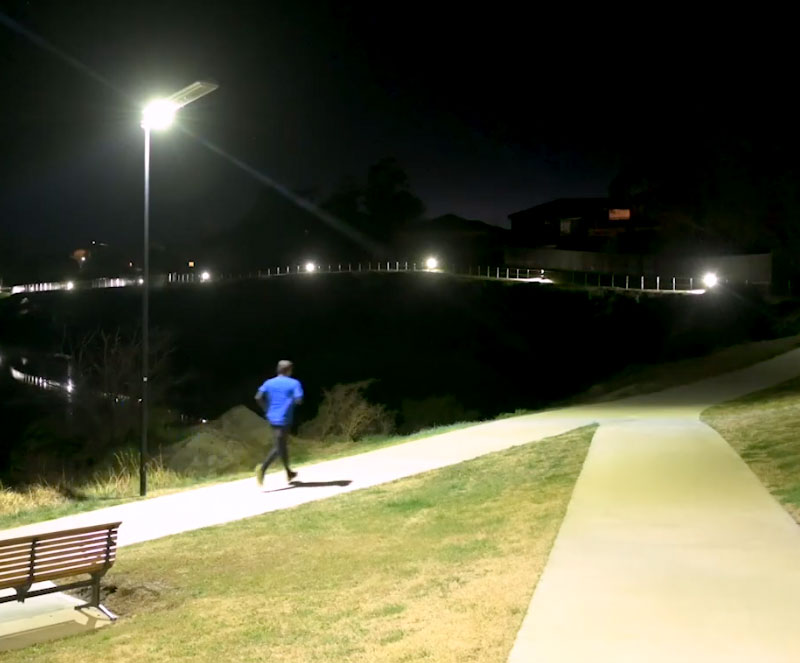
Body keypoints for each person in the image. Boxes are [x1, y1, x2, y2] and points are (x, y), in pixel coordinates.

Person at [254, 360, 304, 486]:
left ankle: (288, 472)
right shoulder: (294, 383)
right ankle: (262, 469)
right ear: (289, 370)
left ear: (278, 370)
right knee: (279, 447)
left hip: (272, 418)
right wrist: (292, 400)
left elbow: (258, 397)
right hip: (284, 419)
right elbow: (299, 400)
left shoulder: (268, 382)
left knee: (282, 445)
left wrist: (266, 410)